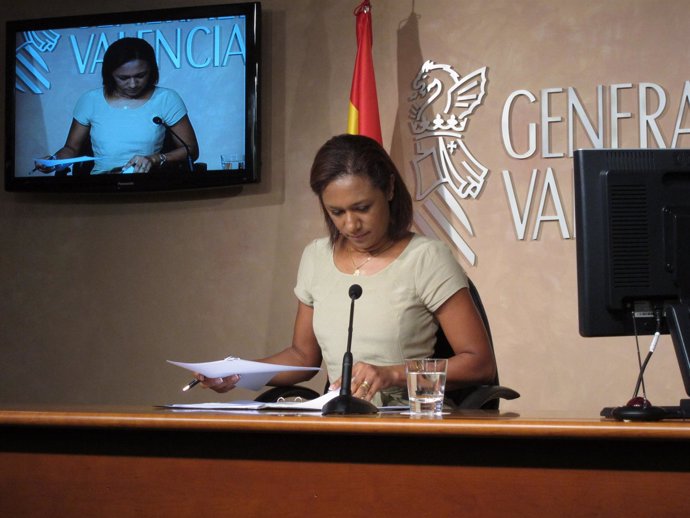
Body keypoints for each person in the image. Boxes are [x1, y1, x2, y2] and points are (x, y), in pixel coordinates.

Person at [200, 134, 497, 407]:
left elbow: (479, 364)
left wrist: (392, 374)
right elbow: (303, 358)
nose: (351, 225)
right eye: (337, 212)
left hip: (408, 423)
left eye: (363, 208)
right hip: (339, 421)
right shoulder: (316, 256)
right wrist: (239, 370)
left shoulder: (427, 258)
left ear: (390, 188)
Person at [36, 37, 198, 175]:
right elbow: (71, 149)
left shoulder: (166, 98)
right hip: (101, 184)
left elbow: (191, 149)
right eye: (123, 78)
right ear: (110, 75)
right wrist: (53, 161)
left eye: (140, 76)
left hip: (148, 182)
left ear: (152, 71)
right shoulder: (90, 100)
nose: (133, 84)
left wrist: (155, 159)